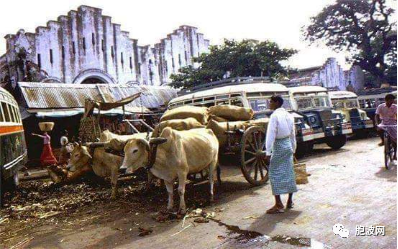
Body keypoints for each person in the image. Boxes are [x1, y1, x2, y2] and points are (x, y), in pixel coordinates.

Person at [264, 95, 297, 214]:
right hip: (287, 145)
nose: (269, 104)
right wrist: (293, 149)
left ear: (277, 103)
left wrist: (268, 152)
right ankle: (290, 201)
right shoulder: (289, 115)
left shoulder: (274, 116)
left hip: (278, 146)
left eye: (271, 102)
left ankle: (278, 204)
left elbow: (271, 135)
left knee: (274, 174)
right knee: (288, 172)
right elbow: (293, 134)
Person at [375, 94, 397, 158]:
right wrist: (376, 123)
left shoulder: (395, 106)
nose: (392, 102)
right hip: (384, 123)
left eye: (393, 101)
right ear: (386, 100)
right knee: (378, 128)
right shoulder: (381, 106)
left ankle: (395, 154)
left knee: (395, 139)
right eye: (390, 101)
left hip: (393, 124)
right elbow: (376, 115)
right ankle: (383, 140)